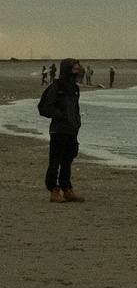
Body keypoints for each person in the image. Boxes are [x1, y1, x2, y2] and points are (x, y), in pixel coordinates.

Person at [38, 59, 87, 203]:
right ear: (67, 69)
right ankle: (53, 190)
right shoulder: (56, 86)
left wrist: (76, 122)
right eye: (75, 69)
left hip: (72, 130)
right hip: (58, 130)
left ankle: (67, 189)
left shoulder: (74, 87)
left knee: (68, 161)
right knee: (55, 161)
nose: (77, 72)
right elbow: (46, 107)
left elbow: (75, 108)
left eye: (78, 69)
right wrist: (62, 116)